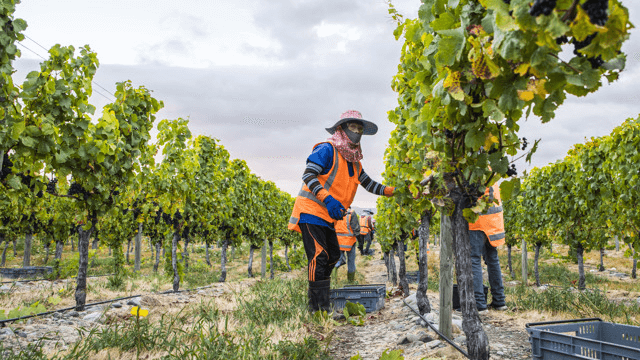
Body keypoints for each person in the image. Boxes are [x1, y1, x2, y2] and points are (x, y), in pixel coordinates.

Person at [288, 110, 396, 313]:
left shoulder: (355, 162)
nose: (356, 132)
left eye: (360, 129)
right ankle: (317, 308)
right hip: (311, 210)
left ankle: (323, 301)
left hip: (327, 216)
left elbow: (370, 185)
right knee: (319, 256)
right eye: (352, 127)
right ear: (342, 129)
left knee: (333, 255)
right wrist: (327, 199)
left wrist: (394, 191)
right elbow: (308, 175)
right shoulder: (326, 149)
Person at [469, 183, 507, 313]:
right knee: (492, 258)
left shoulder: (474, 166)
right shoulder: (490, 167)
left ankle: (479, 304)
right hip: (494, 221)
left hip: (478, 221)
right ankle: (499, 301)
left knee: (474, 259)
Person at [333, 206, 360, 282]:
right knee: (351, 261)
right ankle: (351, 281)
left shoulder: (334, 211)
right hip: (350, 242)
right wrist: (359, 238)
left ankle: (334, 279)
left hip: (337, 241)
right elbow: (356, 228)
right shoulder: (351, 212)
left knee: (337, 260)